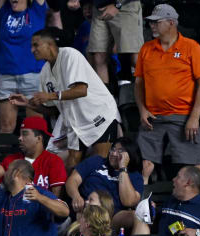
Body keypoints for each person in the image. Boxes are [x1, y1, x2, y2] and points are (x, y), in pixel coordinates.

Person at [10, 27, 120, 169]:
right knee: (71, 165)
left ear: (49, 45)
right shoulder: (44, 72)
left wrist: (50, 95)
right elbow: (52, 110)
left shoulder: (70, 55)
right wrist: (28, 103)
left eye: (36, 45)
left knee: (100, 165)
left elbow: (81, 90)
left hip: (99, 114)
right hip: (76, 122)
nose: (32, 50)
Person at [135, 4, 200, 177]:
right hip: (153, 118)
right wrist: (142, 110)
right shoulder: (146, 49)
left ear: (171, 22)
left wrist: (194, 117)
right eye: (150, 22)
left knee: (193, 168)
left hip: (183, 116)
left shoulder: (191, 47)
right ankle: (141, 203)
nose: (152, 26)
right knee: (146, 165)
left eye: (156, 22)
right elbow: (138, 84)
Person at [0, 0, 47, 137]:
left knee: (34, 127)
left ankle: (35, 159)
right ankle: (4, 159)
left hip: (33, 75)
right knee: (6, 127)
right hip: (7, 76)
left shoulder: (36, 10)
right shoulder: (5, 10)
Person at [66, 137, 145, 217]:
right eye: (113, 149)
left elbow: (128, 202)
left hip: (113, 218)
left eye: (120, 151)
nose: (114, 154)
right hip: (85, 209)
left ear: (129, 155)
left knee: (137, 216)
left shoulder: (135, 176)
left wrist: (123, 168)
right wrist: (76, 196)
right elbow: (73, 180)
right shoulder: (96, 161)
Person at [0, 116, 67, 196]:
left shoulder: (54, 161)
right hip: (14, 207)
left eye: (25, 134)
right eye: (20, 134)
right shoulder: (9, 161)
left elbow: (56, 198)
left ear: (38, 138)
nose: (20, 138)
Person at [86, 0, 143, 87]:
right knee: (98, 57)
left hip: (125, 7)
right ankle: (105, 98)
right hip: (99, 8)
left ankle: (157, 93)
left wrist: (117, 5)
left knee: (135, 58)